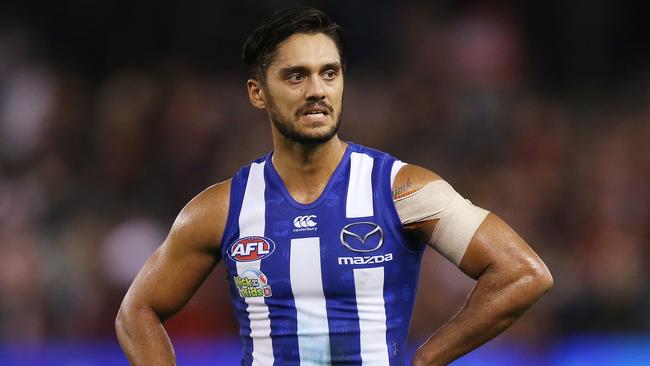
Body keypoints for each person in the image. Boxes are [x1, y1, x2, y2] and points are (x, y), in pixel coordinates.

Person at [115, 6, 553, 365]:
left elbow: (523, 274)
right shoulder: (219, 208)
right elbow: (136, 311)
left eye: (330, 73)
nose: (317, 90)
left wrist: (426, 359)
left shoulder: (402, 190)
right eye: (295, 76)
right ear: (257, 92)